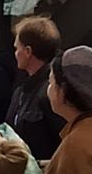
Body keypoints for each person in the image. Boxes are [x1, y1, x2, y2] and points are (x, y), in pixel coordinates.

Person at [6, 16, 65, 161]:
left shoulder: (52, 92)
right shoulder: (21, 90)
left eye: (16, 48)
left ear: (27, 51)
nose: (15, 53)